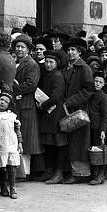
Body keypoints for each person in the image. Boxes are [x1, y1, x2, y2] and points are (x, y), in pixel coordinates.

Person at [58, 37, 94, 183]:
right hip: (66, 108)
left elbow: (89, 90)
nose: (71, 53)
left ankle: (80, 173)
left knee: (79, 143)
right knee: (69, 142)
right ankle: (69, 171)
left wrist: (71, 101)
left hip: (79, 110)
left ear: (79, 52)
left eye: (74, 50)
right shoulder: (66, 67)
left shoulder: (84, 68)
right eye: (69, 50)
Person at [12, 34, 44, 180]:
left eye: (22, 47)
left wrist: (14, 89)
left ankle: (25, 172)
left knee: (26, 138)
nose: (19, 49)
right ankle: (19, 171)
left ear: (28, 50)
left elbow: (31, 84)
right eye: (17, 47)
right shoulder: (16, 62)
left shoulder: (31, 64)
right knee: (19, 136)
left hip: (26, 104)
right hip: (17, 104)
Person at [37, 51, 67, 183]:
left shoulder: (57, 76)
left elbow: (55, 96)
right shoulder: (48, 75)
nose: (48, 64)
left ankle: (58, 173)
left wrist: (42, 106)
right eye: (47, 62)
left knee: (58, 144)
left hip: (56, 114)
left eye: (51, 62)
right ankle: (49, 171)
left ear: (56, 64)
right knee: (49, 144)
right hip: (48, 114)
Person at [0, 91, 23, 199]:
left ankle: (12, 187)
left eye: (6, 101)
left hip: (11, 144)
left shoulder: (12, 116)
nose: (3, 102)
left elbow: (18, 131)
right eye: (1, 100)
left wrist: (20, 143)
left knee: (11, 166)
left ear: (9, 104)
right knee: (1, 166)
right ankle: (2, 186)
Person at [87, 70, 107, 184]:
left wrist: (103, 130)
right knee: (92, 151)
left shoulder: (102, 97)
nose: (97, 84)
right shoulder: (89, 93)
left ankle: (100, 175)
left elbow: (106, 115)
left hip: (98, 128)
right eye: (95, 81)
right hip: (89, 127)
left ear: (103, 84)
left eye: (100, 82)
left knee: (99, 151)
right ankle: (94, 173)